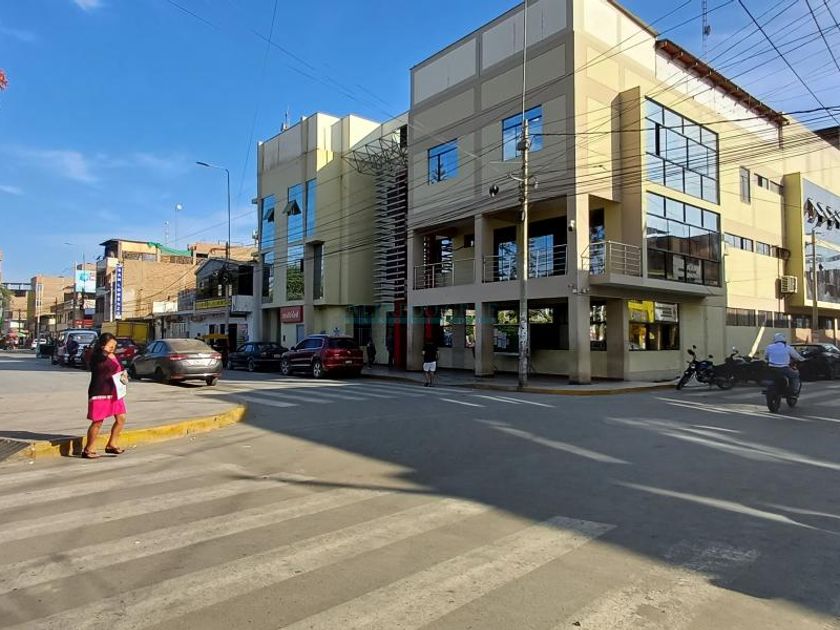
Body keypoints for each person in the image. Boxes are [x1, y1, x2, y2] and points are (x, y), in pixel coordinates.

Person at [83, 332, 127, 459]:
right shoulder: (96, 355)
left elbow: (119, 368)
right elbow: (98, 361)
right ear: (103, 345)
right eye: (110, 346)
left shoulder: (114, 355)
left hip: (115, 391)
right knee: (98, 421)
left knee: (121, 418)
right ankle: (88, 449)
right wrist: (105, 352)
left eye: (114, 346)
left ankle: (112, 444)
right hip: (101, 392)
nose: (113, 348)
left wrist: (124, 376)